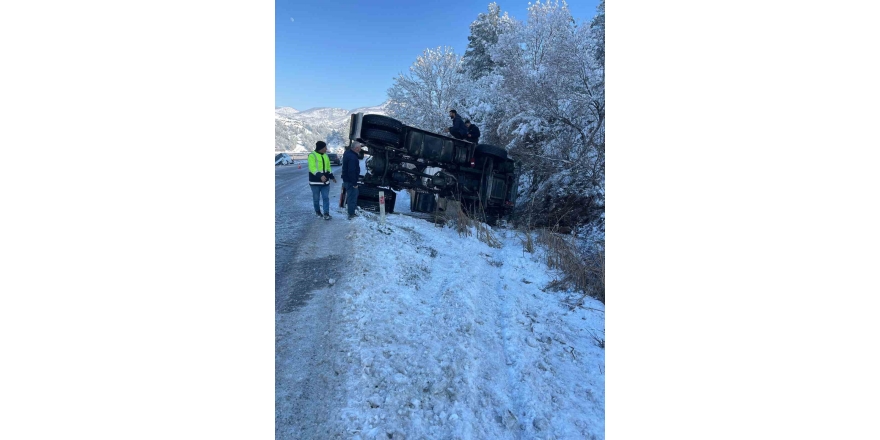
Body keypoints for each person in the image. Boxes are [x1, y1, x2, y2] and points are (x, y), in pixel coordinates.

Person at [308, 141, 336, 220]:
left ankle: (326, 213)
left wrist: (331, 176)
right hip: (315, 182)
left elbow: (328, 168)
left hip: (325, 182)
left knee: (325, 198)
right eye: (325, 147)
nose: (326, 149)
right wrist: (320, 176)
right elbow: (312, 168)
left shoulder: (325, 156)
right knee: (316, 199)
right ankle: (317, 211)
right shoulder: (312, 155)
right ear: (320, 148)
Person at [341, 141, 362, 220]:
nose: (360, 149)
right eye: (359, 147)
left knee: (353, 195)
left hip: (347, 179)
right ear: (356, 148)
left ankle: (352, 210)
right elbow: (351, 171)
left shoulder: (348, 153)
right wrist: (354, 183)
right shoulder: (352, 157)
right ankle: (351, 214)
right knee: (352, 197)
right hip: (350, 181)